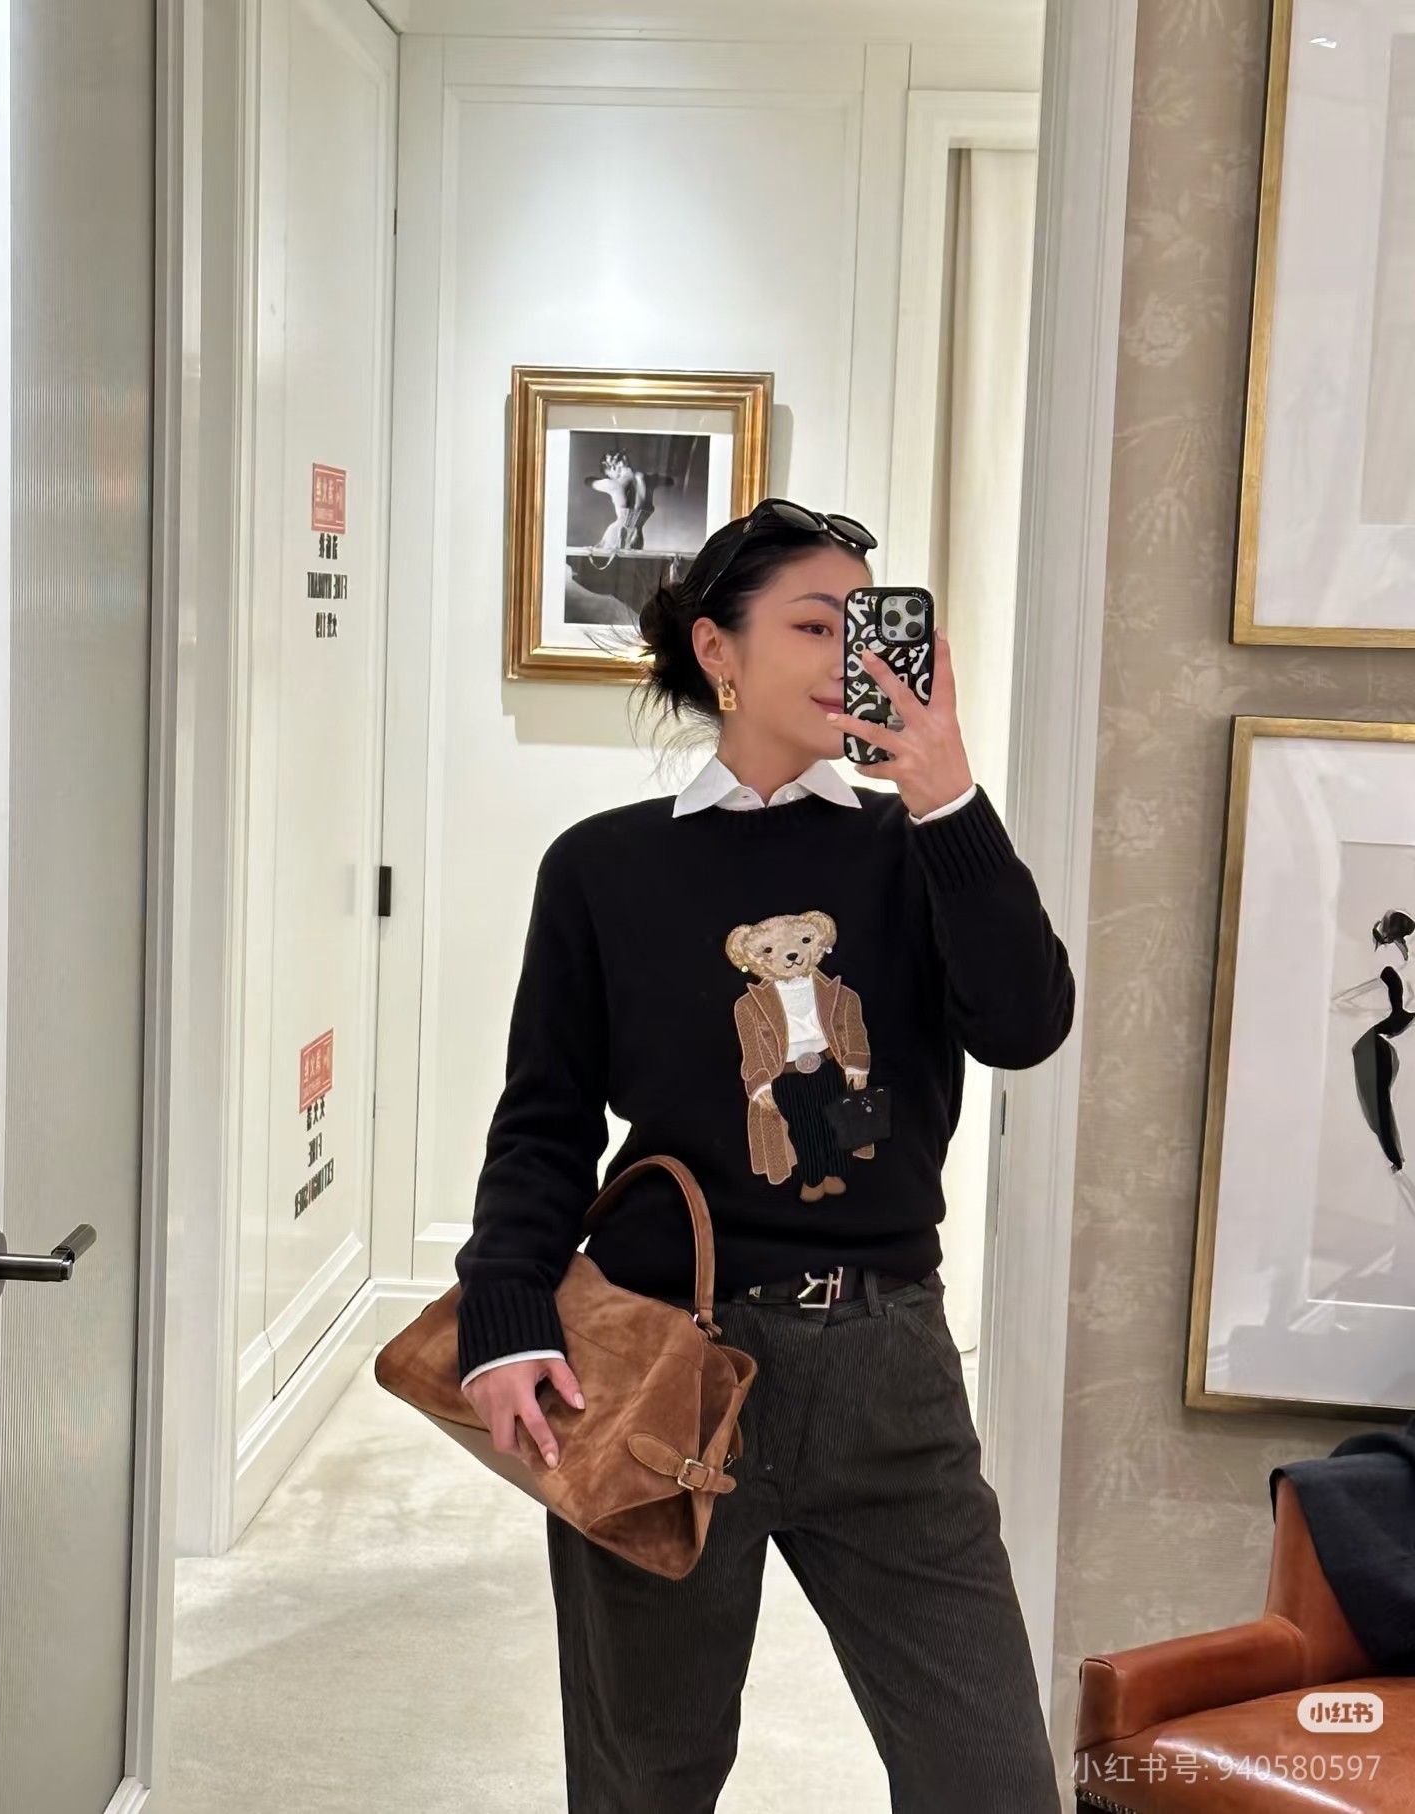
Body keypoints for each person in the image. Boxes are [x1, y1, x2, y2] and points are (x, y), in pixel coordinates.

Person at [453, 497, 1076, 1812]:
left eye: (868, 622)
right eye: (814, 622)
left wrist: (949, 796)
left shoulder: (920, 849)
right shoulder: (604, 867)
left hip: (887, 1368)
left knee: (992, 1779)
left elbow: (1025, 1026)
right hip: (665, 1362)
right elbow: (546, 1117)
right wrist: (505, 1311)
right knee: (648, 1778)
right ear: (716, 648)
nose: (851, 650)